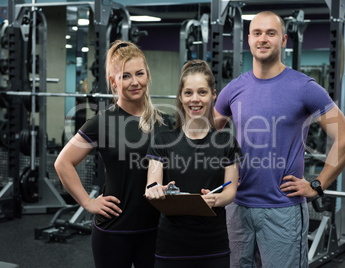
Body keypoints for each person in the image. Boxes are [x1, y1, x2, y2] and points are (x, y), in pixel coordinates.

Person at [214, 11, 345, 268]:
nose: (263, 39)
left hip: (282, 209)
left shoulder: (304, 88)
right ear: (248, 39)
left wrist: (317, 185)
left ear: (283, 40)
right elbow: (205, 136)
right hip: (237, 208)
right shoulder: (233, 89)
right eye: (257, 33)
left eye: (271, 33)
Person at [54, 40, 172, 268]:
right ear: (113, 81)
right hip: (114, 231)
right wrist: (88, 202)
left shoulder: (163, 122)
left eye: (139, 73)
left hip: (156, 230)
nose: (135, 82)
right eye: (126, 76)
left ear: (147, 75)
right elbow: (63, 163)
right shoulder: (102, 122)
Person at [144, 60, 243, 268]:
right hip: (171, 245)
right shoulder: (162, 140)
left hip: (213, 245)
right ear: (180, 97)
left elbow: (230, 192)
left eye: (202, 92)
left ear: (213, 95)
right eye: (188, 93)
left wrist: (215, 199)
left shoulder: (226, 142)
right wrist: (154, 190)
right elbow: (152, 184)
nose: (195, 99)